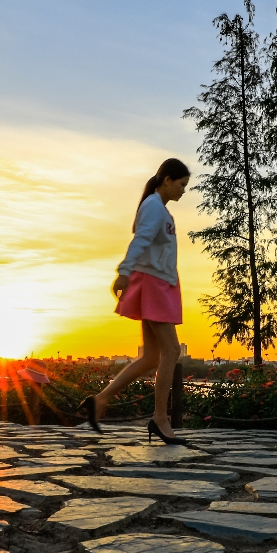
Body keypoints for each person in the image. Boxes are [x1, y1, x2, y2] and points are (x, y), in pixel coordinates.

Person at [83, 158, 191, 444]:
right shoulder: (154, 206)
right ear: (167, 179)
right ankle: (160, 418)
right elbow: (140, 240)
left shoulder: (160, 209)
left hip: (159, 282)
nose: (183, 191)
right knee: (171, 351)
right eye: (181, 184)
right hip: (154, 283)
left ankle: (100, 399)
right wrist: (123, 273)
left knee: (151, 357)